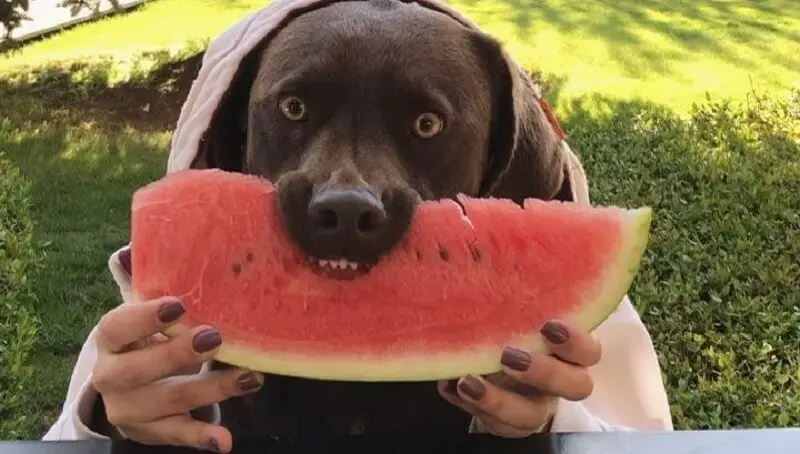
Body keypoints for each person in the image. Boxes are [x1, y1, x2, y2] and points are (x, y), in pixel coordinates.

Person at [43, 0, 673, 452]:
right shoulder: (171, 307)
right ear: (232, 139)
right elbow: (62, 440)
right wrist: (112, 420)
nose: (346, 187)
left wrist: (551, 423)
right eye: (294, 109)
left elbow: (643, 438)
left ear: (501, 166)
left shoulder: (573, 320)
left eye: (427, 125)